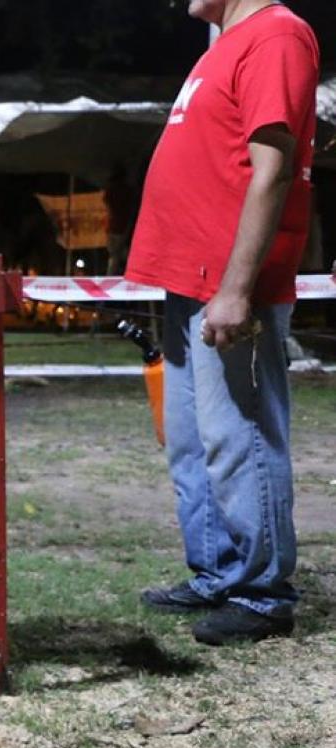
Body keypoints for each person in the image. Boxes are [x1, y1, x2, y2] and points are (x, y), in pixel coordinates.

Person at [126, 0, 318, 644]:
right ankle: (217, 572)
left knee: (243, 436)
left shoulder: (278, 34)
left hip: (228, 285)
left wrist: (238, 289)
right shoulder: (223, 43)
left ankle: (262, 594)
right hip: (189, 279)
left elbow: (274, 170)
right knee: (193, 439)